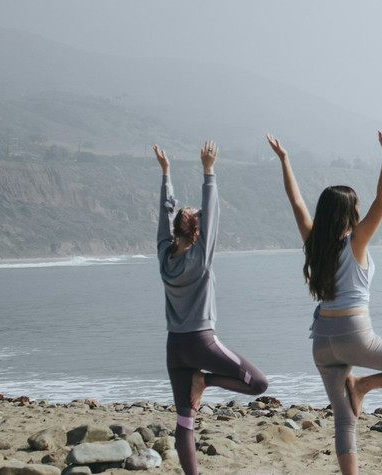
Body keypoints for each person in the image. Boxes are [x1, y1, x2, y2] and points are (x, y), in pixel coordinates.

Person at [267, 124, 382, 475]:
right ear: (349, 213)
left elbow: (296, 201)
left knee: (344, 420)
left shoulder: (314, 242)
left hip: (321, 343)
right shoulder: (356, 242)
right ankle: (365, 384)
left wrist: (285, 160)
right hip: (354, 336)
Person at [155, 141, 270, 475]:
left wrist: (166, 174)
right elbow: (212, 211)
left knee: (184, 421)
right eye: (197, 215)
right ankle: (205, 381)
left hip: (174, 348)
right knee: (258, 384)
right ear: (196, 229)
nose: (196, 211)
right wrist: (209, 171)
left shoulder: (164, 257)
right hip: (202, 343)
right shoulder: (200, 259)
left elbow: (164, 215)